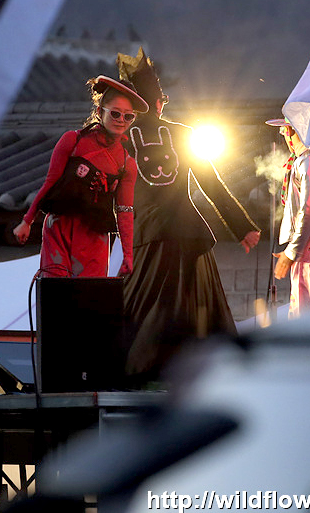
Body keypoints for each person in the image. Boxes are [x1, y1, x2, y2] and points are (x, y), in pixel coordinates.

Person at [116, 49, 261, 383]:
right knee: (200, 311)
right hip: (188, 234)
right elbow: (211, 183)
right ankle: (213, 372)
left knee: (142, 307)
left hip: (145, 236)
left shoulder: (119, 139)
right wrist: (243, 227)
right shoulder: (183, 133)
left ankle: (140, 372)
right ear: (158, 102)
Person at [13, 74, 147, 278]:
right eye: (115, 113)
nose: (121, 120)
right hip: (60, 228)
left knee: (89, 293)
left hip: (95, 237)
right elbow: (50, 182)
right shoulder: (72, 141)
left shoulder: (127, 164)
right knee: (56, 290)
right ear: (100, 111)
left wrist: (128, 254)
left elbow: (124, 210)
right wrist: (27, 221)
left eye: (128, 116)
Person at [269, 117, 310, 317]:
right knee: (306, 308)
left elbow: (309, 212)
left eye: (285, 129)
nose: (283, 134)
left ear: (294, 130)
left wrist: (292, 251)